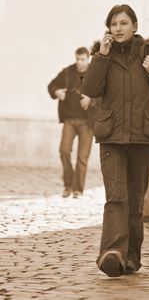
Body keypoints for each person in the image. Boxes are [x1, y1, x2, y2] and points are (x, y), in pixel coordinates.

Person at [82, 4, 149, 277]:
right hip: (112, 137)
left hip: (144, 139)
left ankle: (132, 257)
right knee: (116, 198)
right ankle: (111, 253)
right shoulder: (103, 55)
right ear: (108, 28)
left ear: (135, 26)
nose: (119, 28)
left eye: (124, 23)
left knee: (135, 201)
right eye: (114, 24)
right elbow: (90, 89)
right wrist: (100, 57)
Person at [48, 47, 96, 199]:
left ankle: (78, 190)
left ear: (88, 59)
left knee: (82, 157)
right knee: (64, 151)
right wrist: (57, 92)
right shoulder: (68, 72)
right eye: (77, 59)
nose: (79, 62)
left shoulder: (95, 74)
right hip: (69, 120)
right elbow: (52, 85)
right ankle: (68, 185)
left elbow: (104, 94)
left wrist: (91, 99)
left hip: (87, 122)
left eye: (82, 59)